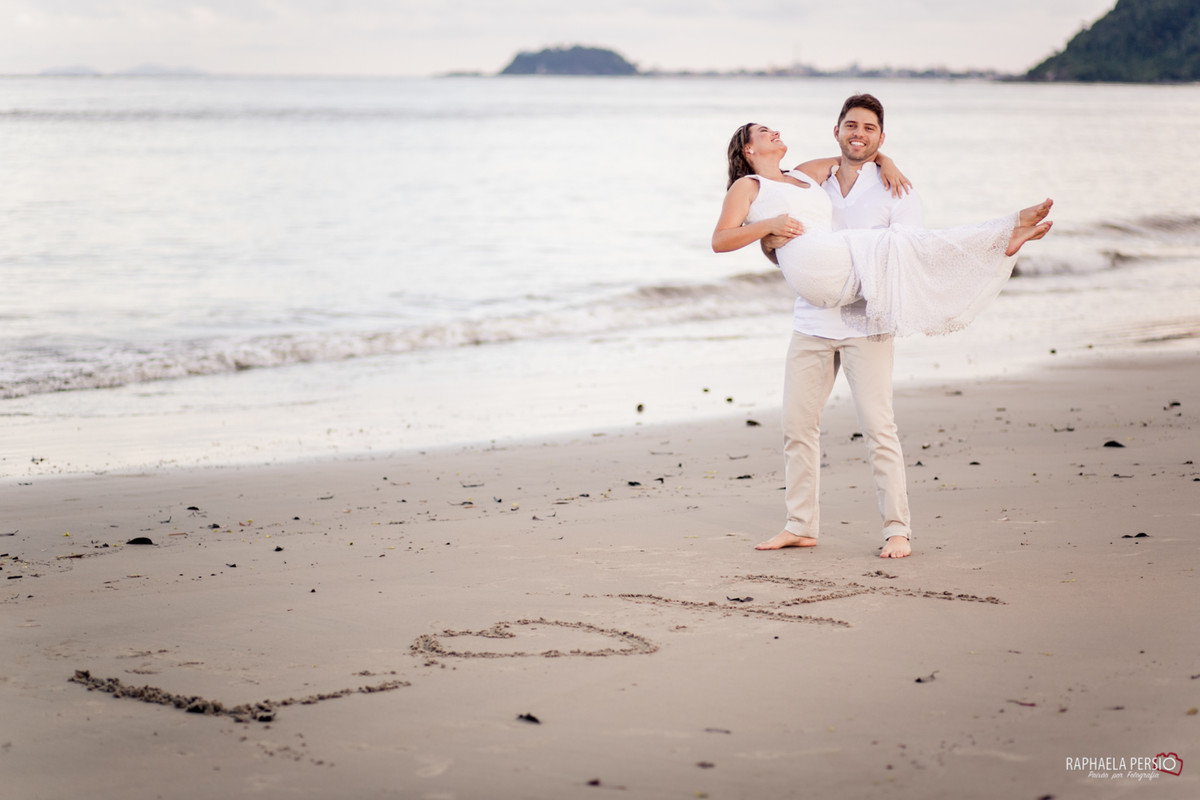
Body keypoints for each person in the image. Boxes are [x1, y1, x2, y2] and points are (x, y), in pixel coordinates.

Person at [711, 94, 1052, 558]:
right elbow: (765, 237)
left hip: (866, 320)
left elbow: (914, 249)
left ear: (881, 138)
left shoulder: (895, 188)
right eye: (851, 126)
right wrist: (768, 239)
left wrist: (886, 162)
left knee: (878, 427)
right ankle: (800, 524)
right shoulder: (816, 178)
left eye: (870, 130)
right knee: (797, 427)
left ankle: (897, 529)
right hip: (812, 321)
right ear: (837, 132)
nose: (859, 134)